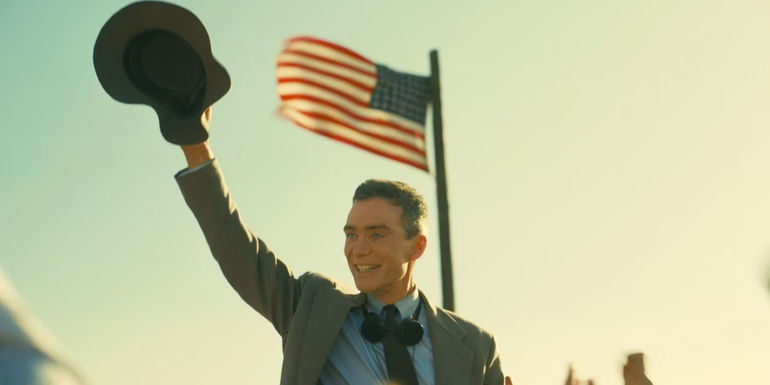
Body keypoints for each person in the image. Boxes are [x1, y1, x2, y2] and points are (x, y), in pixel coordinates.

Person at [174, 107, 505, 385]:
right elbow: (239, 252)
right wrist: (195, 145)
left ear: (416, 246)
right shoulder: (311, 306)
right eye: (351, 234)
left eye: (376, 234)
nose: (358, 249)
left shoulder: (476, 346)